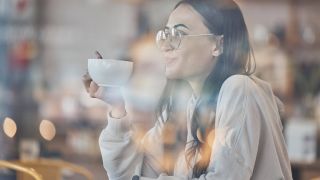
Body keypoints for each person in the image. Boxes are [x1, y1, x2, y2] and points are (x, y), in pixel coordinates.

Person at [83, 0, 293, 179]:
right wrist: (117, 106)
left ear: (218, 45)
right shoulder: (183, 107)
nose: (165, 45)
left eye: (178, 34)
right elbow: (128, 174)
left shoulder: (240, 88)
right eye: (165, 35)